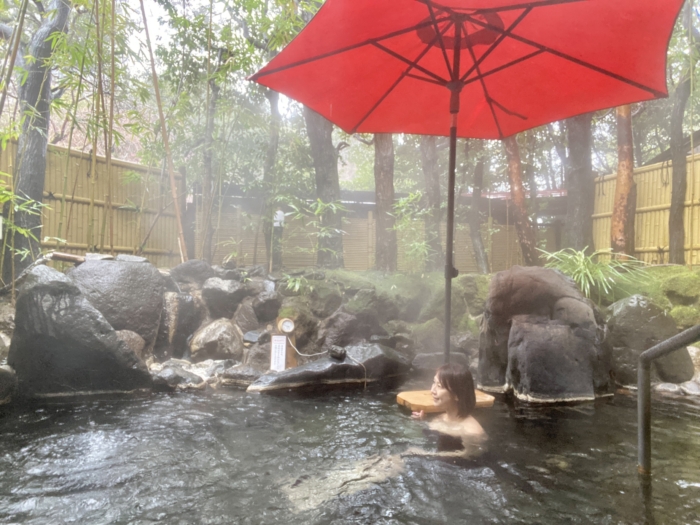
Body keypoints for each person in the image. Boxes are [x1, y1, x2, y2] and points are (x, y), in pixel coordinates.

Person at [405, 363, 487, 460]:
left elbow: (470, 455)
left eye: (439, 386)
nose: (432, 390)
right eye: (434, 382)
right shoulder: (440, 417)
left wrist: (424, 454)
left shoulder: (472, 431)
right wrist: (422, 422)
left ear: (457, 395)